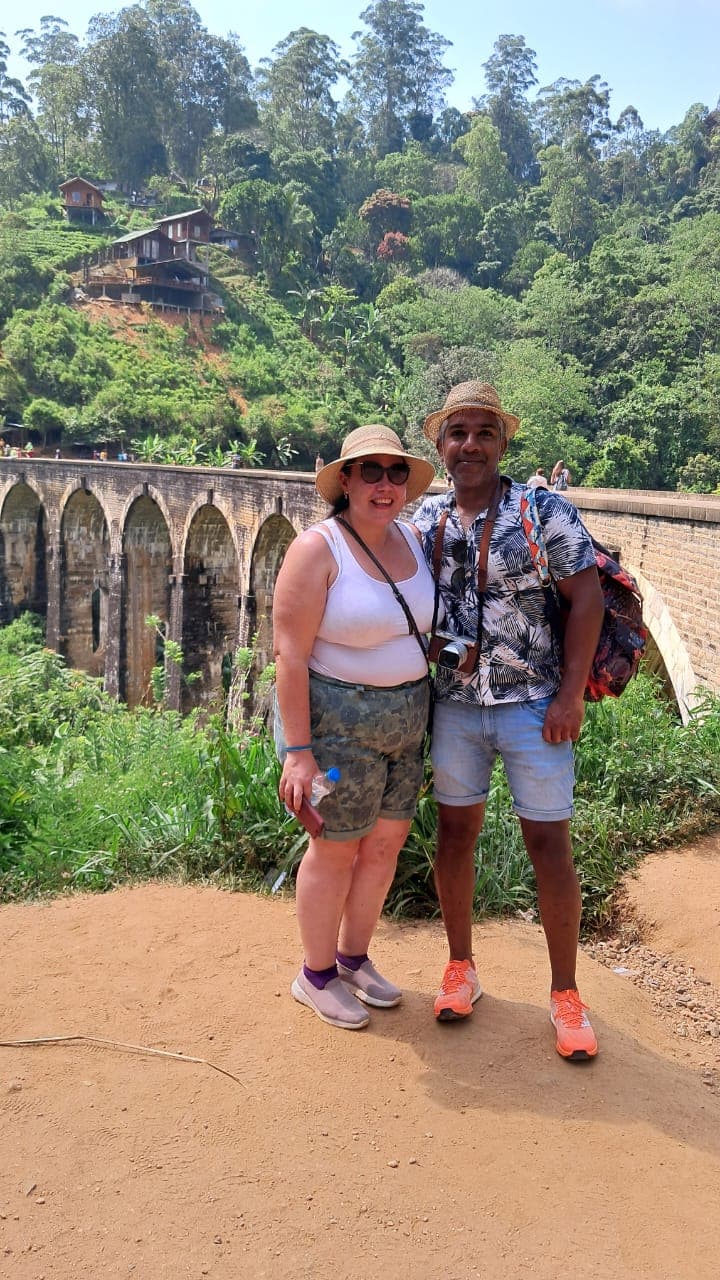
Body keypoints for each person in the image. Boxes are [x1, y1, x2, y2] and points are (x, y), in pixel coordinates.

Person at [413, 381, 605, 1060]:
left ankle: (566, 993)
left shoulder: (542, 510)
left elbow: (587, 600)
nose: (470, 445)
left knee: (549, 844)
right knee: (454, 835)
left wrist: (571, 696)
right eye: (458, 433)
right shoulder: (425, 521)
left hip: (533, 705)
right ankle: (460, 967)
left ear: (502, 443)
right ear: (441, 446)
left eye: (484, 433)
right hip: (455, 706)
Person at [273, 424, 436, 1030]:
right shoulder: (317, 550)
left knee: (385, 845)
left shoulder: (414, 540)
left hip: (406, 728)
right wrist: (298, 753)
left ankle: (353, 958)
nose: (384, 485)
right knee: (334, 847)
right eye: (370, 471)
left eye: (396, 472)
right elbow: (289, 655)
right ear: (345, 480)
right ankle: (315, 975)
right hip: (335, 733)